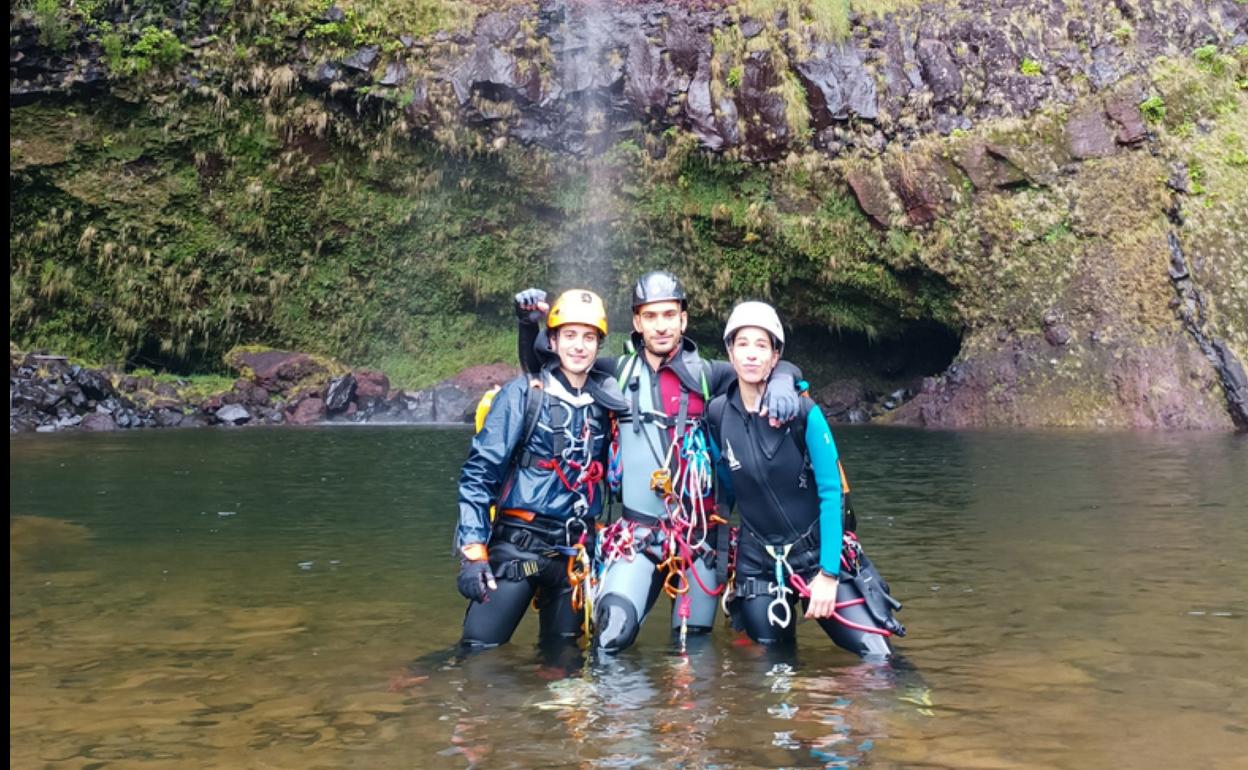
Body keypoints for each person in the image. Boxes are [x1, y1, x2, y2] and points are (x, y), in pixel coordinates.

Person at [514, 272, 804, 652]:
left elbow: (767, 364)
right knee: (611, 634)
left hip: (697, 538)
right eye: (650, 316)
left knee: (694, 648)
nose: (661, 326)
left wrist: (783, 380)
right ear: (637, 322)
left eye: (670, 315)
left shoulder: (709, 376)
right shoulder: (613, 371)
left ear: (683, 319)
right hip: (637, 534)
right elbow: (545, 361)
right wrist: (526, 324)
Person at [703, 301, 904, 657]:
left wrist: (827, 575)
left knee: (879, 658)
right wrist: (715, 556)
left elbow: (831, 494)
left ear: (775, 355)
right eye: (742, 344)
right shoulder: (718, 414)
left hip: (815, 555)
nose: (751, 354)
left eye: (761, 345)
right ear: (729, 353)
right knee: (775, 670)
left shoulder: (804, 413)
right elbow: (727, 488)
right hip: (759, 563)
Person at [455, 289, 627, 650]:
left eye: (588, 337)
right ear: (552, 340)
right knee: (477, 654)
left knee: (563, 666)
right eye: (569, 335)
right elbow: (479, 473)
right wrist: (473, 553)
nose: (579, 346)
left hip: (573, 556)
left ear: (599, 345)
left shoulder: (606, 403)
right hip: (520, 549)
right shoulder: (523, 395)